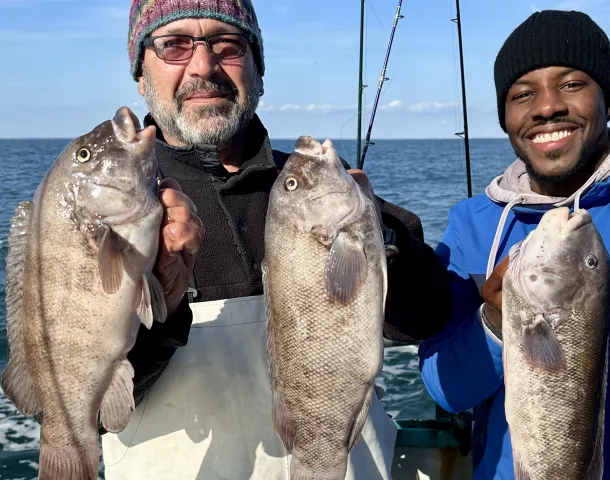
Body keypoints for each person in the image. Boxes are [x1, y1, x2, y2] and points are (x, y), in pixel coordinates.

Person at [100, 1, 452, 479]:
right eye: (175, 45)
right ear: (141, 75)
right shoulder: (105, 210)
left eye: (228, 45)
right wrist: (163, 300)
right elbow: (83, 404)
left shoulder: (318, 184)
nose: (204, 67)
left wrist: (375, 238)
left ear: (258, 71)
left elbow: (429, 316)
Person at [418, 9, 610, 480]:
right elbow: (447, 391)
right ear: (505, 116)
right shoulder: (472, 226)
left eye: (572, 84)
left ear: (609, 99)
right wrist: (495, 322)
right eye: (522, 94)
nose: (546, 107)